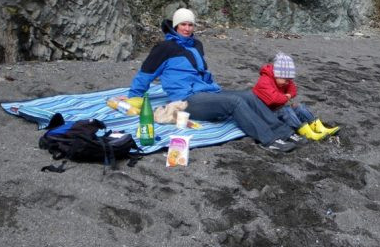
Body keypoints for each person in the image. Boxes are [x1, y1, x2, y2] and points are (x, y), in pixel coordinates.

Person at [128, 8, 299, 152]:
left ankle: (284, 132)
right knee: (234, 102)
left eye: (190, 24)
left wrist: (211, 89)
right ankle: (269, 140)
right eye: (183, 24)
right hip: (186, 99)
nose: (187, 28)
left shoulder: (196, 45)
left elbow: (201, 72)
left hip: (206, 92)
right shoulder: (163, 48)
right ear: (175, 26)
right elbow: (145, 74)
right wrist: (133, 97)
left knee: (249, 96)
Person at [252, 52, 339, 141]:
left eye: (289, 80)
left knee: (299, 107)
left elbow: (292, 89)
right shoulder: (264, 81)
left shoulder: (281, 79)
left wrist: (288, 94)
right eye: (285, 80)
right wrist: (287, 97)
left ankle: (319, 128)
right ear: (276, 74)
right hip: (265, 114)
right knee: (286, 110)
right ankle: (305, 132)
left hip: (276, 108)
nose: (287, 83)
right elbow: (273, 99)